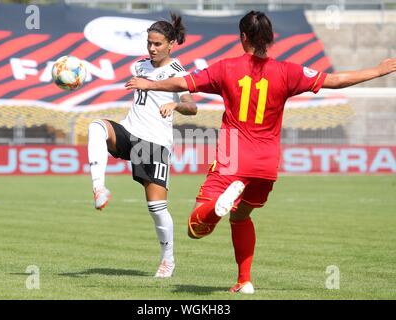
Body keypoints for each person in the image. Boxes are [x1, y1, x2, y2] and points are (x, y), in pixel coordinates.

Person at [125, 11, 396, 293]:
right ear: (270, 38)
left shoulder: (225, 68)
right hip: (266, 163)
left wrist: (151, 84)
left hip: (233, 156)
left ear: (243, 37)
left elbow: (183, 83)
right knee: (241, 217)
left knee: (195, 228)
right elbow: (336, 80)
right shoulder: (288, 71)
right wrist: (377, 71)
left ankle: (217, 209)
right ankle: (244, 281)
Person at [87, 13, 197, 278]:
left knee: (157, 210)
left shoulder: (179, 72)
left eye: (158, 44)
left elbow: (192, 106)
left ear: (171, 44)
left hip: (155, 145)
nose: (152, 48)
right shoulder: (139, 66)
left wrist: (175, 104)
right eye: (149, 42)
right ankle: (99, 188)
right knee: (96, 127)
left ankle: (167, 260)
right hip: (130, 131)